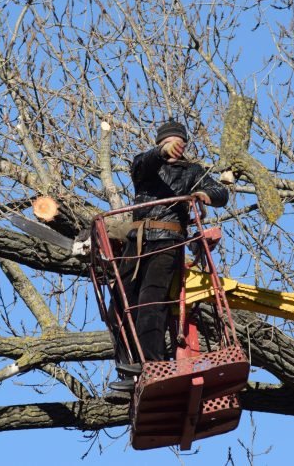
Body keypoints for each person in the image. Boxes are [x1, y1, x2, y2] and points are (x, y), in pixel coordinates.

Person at [108, 119, 229, 392]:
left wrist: (204, 193)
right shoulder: (145, 166)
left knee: (152, 298)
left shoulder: (192, 171)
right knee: (118, 305)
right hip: (136, 241)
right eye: (169, 142)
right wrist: (161, 153)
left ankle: (152, 364)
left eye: (179, 142)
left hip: (169, 241)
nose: (176, 146)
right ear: (160, 143)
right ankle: (129, 368)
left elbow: (221, 192)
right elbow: (144, 163)